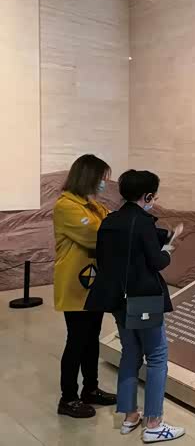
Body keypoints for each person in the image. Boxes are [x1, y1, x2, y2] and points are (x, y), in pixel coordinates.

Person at [85, 170, 185, 443]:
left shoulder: (109, 221)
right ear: (148, 196)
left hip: (117, 299)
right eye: (155, 195)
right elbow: (157, 261)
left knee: (130, 354)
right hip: (143, 299)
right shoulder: (142, 222)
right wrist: (167, 250)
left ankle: (130, 416)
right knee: (157, 356)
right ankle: (154, 423)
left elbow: (105, 259)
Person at [53, 154, 117, 418]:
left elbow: (111, 223)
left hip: (94, 286)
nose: (104, 183)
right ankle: (68, 398)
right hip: (76, 286)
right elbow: (97, 236)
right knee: (77, 341)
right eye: (102, 178)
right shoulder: (66, 206)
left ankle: (90, 389)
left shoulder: (93, 206)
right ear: (89, 177)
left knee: (92, 340)